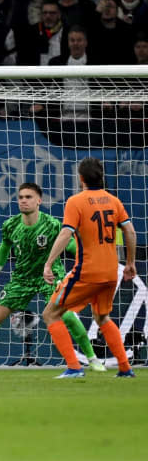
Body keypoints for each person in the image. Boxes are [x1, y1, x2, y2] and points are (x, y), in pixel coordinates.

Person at [0, 182, 103, 373]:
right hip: (21, 278)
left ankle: (92, 359)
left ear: (39, 201)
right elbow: (4, 248)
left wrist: (89, 261)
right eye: (21, 197)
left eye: (28, 197)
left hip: (50, 276)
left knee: (69, 317)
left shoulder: (52, 225)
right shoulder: (11, 225)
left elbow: (72, 246)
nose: (24, 201)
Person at [42, 158, 136, 378]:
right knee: (102, 317)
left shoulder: (76, 201)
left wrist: (48, 263)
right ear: (101, 177)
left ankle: (74, 367)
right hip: (111, 272)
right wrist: (130, 263)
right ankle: (125, 368)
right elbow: (130, 231)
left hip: (87, 271)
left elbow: (66, 233)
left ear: (81, 178)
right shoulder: (114, 201)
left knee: (51, 314)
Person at [19, 0, 64, 65]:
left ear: (59, 15)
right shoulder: (30, 33)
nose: (48, 16)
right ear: (41, 14)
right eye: (45, 13)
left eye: (52, 13)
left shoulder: (66, 32)